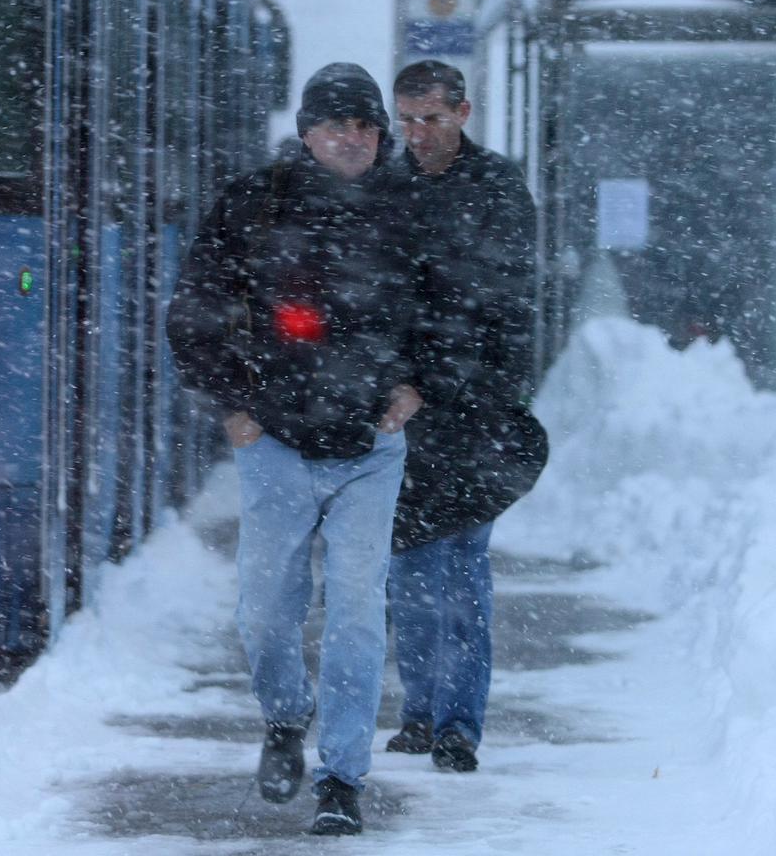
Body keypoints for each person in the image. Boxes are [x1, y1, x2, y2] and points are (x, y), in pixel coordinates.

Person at [166, 62, 425, 836]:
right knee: (264, 612)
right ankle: (283, 718)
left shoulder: (408, 209)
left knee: (353, 611)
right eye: (335, 125)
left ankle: (342, 779)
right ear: (306, 132)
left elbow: (448, 312)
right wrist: (232, 405)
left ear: (379, 136)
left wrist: (416, 387)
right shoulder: (253, 204)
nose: (351, 139)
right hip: (274, 438)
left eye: (365, 127)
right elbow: (196, 305)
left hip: (370, 446)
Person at [384, 60, 548, 773]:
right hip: (396, 411)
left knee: (459, 567)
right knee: (405, 567)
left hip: (471, 410)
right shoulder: (384, 185)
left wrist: (434, 382)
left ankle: (457, 723)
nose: (417, 134)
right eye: (407, 119)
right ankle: (421, 710)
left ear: (463, 113)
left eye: (431, 119)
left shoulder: (497, 191)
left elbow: (498, 309)